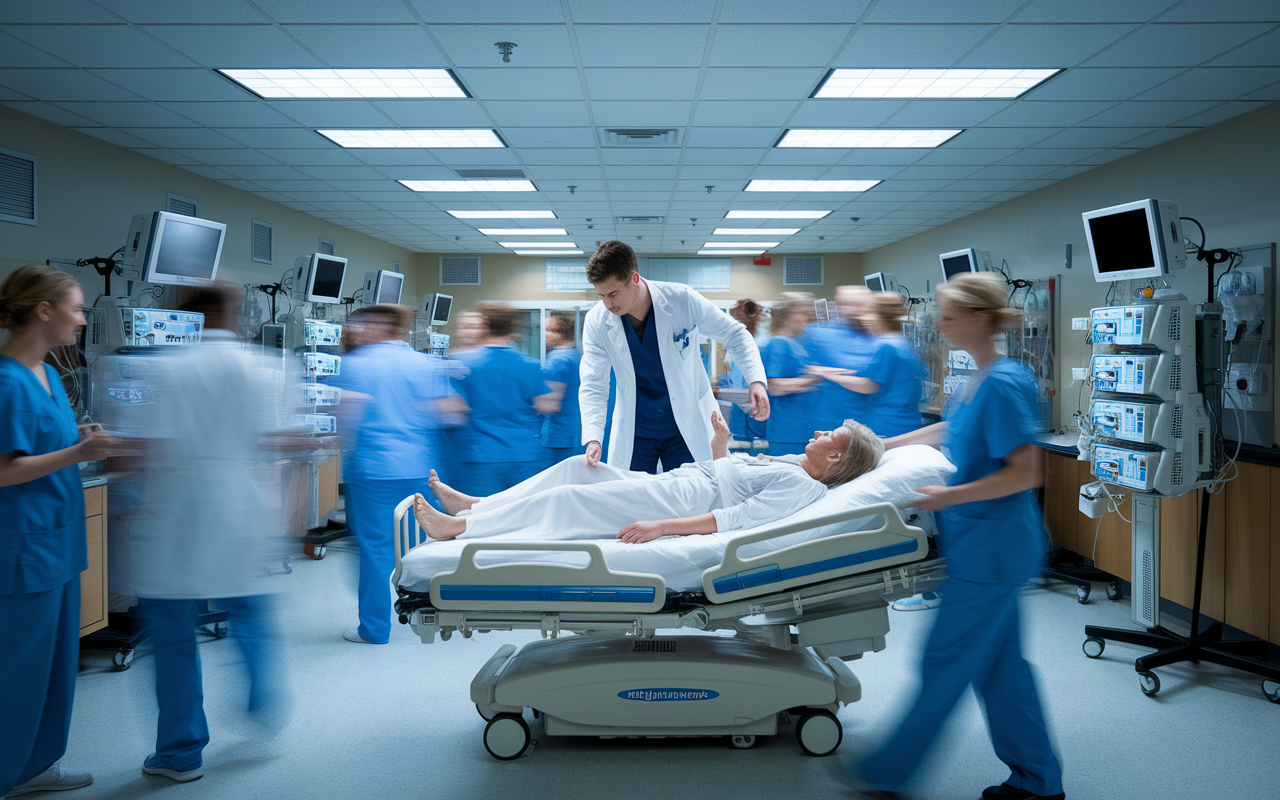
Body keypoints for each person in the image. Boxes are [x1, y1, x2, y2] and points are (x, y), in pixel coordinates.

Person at [856, 273, 1064, 800]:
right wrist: (886, 446)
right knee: (1001, 668)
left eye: (948, 316)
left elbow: (1027, 471)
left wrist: (947, 496)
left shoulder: (1005, 381)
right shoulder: (975, 378)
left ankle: (885, 774)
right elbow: (950, 428)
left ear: (976, 318)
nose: (940, 326)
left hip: (993, 548)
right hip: (979, 543)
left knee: (946, 661)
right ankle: (1038, 783)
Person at [127, 282, 291, 783]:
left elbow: (152, 446)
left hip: (183, 509)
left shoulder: (171, 369)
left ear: (192, 315)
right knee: (249, 609)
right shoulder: (261, 366)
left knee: (173, 629)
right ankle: (264, 701)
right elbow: (273, 438)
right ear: (233, 312)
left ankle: (180, 752)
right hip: (241, 502)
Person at [412, 412, 882, 543]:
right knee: (577, 466)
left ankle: (460, 528)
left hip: (678, 504)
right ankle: (477, 505)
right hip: (684, 481)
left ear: (838, 457)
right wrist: (721, 446)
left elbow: (733, 519)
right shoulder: (790, 465)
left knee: (571, 499)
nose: (819, 432)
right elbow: (730, 478)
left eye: (830, 434)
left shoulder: (803, 486)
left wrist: (661, 528)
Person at [1, 266, 115, 797]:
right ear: (43, 311)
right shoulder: (7, 382)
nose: (83, 318)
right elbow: (4, 469)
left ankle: (35, 764)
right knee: (18, 672)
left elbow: (46, 443)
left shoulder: (47, 372)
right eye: (76, 307)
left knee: (53, 668)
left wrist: (79, 435)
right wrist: (79, 451)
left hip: (59, 541)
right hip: (25, 549)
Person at [329, 304, 458, 644]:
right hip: (418, 467)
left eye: (359, 324)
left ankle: (374, 629)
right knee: (420, 545)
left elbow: (346, 417)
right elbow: (450, 413)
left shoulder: (355, 365)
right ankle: (428, 616)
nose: (354, 331)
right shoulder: (425, 363)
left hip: (373, 470)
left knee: (375, 549)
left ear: (377, 326)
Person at [580, 241, 769, 474]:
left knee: (693, 496)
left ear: (635, 278)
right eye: (601, 296)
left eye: (613, 294)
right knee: (633, 500)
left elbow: (734, 333)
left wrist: (756, 380)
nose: (608, 304)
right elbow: (593, 382)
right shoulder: (597, 321)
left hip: (685, 427)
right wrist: (593, 437)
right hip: (636, 431)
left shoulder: (682, 299)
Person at [451, 303, 557, 495]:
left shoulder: (462, 364)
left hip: (482, 457)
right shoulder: (529, 365)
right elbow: (547, 406)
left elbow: (453, 411)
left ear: (484, 326)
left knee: (483, 516)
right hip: (526, 455)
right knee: (524, 516)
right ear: (514, 328)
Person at [809, 292, 925, 438]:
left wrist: (826, 374)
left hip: (888, 427)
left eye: (868, 313)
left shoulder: (887, 347)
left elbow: (869, 385)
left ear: (880, 316)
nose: (863, 318)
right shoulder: (901, 343)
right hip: (904, 423)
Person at [802, 285, 879, 431]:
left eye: (862, 305)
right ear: (839, 306)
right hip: (824, 424)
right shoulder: (819, 336)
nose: (856, 310)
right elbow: (804, 375)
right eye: (850, 304)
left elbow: (873, 384)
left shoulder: (879, 340)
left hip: (867, 427)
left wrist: (828, 374)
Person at [760, 300, 821, 456]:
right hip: (788, 431)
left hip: (803, 428)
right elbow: (775, 386)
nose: (804, 320)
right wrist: (814, 378)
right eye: (800, 316)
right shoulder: (778, 343)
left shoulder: (798, 343)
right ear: (787, 318)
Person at [718, 299, 768, 447]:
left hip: (753, 407)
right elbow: (729, 378)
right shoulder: (735, 347)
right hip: (740, 410)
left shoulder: (759, 345)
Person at [540, 312, 585, 462]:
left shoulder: (558, 358)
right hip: (581, 433)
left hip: (562, 436)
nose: (544, 334)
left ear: (561, 333)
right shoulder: (579, 355)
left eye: (549, 329)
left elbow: (548, 404)